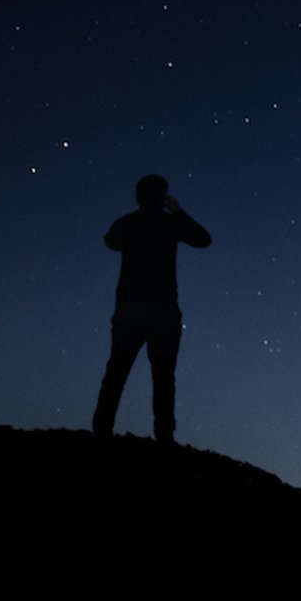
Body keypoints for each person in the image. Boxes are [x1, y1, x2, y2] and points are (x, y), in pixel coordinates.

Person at [93, 174, 212, 443]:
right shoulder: (169, 224)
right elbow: (203, 239)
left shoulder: (127, 223)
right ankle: (164, 435)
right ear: (163, 197)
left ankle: (101, 429)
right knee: (163, 376)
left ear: (138, 196)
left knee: (117, 371)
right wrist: (177, 212)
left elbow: (110, 241)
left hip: (129, 308)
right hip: (162, 309)